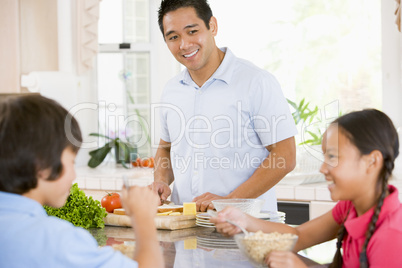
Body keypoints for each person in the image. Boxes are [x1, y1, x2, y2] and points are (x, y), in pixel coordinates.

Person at [151, 0, 297, 212]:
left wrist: (230, 201)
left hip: (246, 231)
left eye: (192, 31)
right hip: (188, 228)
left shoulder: (256, 82)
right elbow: (166, 148)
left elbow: (285, 155)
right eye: (173, 37)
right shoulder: (172, 90)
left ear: (212, 26)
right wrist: (161, 181)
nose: (184, 44)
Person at [211, 109, 402, 268]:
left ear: (372, 161)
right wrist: (243, 220)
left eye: (333, 157)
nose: (323, 168)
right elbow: (298, 236)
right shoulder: (350, 207)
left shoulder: (392, 236)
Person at [0, 95, 164, 268]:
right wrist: (143, 219)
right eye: (72, 161)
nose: (73, 175)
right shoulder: (58, 241)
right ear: (42, 165)